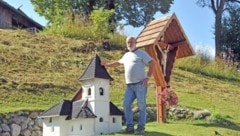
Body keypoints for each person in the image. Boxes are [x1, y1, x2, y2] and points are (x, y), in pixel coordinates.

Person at [101, 36, 155, 134]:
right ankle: (130, 127)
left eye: (131, 42)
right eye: (128, 43)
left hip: (140, 85)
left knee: (141, 106)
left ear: (135, 43)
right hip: (129, 86)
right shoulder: (126, 55)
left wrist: (147, 77)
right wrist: (107, 65)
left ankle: (141, 128)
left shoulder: (142, 53)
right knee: (126, 105)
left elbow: (152, 63)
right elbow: (118, 63)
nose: (129, 44)